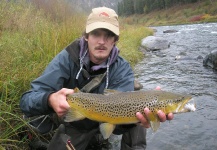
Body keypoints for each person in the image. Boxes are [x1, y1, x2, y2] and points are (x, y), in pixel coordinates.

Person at [20, 7, 173, 150]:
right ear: (86, 36)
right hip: (78, 123)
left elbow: (119, 119)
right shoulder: (66, 59)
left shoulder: (122, 69)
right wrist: (50, 99)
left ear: (115, 40)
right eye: (96, 34)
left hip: (108, 119)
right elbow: (27, 100)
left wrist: (134, 120)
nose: (101, 41)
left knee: (140, 105)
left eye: (108, 36)